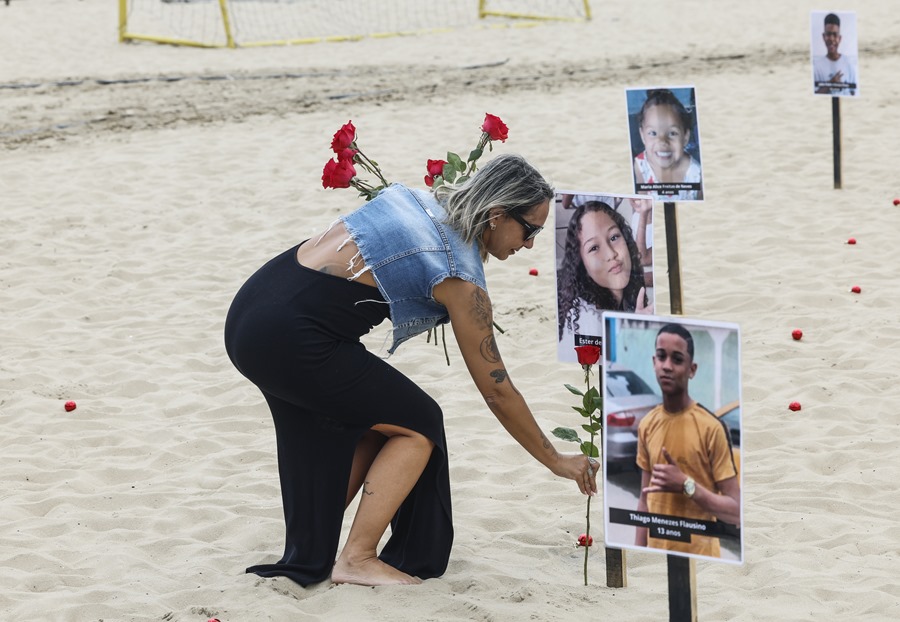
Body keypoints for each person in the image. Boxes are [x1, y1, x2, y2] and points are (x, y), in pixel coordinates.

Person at [223, 153, 598, 588]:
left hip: (252, 310)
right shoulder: (459, 275)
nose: (530, 244)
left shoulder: (422, 201)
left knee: (372, 422)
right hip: (291, 336)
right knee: (420, 424)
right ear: (496, 215)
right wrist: (554, 460)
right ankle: (357, 558)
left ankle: (314, 546)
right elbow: (498, 392)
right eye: (529, 230)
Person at [635, 323, 740, 557]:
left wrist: (686, 485)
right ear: (654, 362)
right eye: (661, 357)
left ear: (692, 369)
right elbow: (644, 500)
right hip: (657, 559)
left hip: (703, 563)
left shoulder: (712, 428)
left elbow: (736, 510)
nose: (667, 367)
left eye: (677, 359)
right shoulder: (647, 425)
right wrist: (638, 555)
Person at [557, 200, 653, 351]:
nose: (611, 254)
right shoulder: (584, 318)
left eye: (614, 237)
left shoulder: (631, 295)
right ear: (581, 264)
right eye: (594, 247)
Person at [632, 89, 703, 201]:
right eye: (653, 133)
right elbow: (643, 200)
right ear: (642, 135)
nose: (662, 141)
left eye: (672, 133)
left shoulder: (696, 174)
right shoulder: (640, 165)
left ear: (685, 137)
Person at [813, 13, 857, 96]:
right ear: (823, 37)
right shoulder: (817, 66)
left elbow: (853, 92)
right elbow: (814, 94)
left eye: (835, 34)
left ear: (839, 38)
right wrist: (831, 84)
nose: (832, 39)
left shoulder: (849, 64)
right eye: (828, 34)